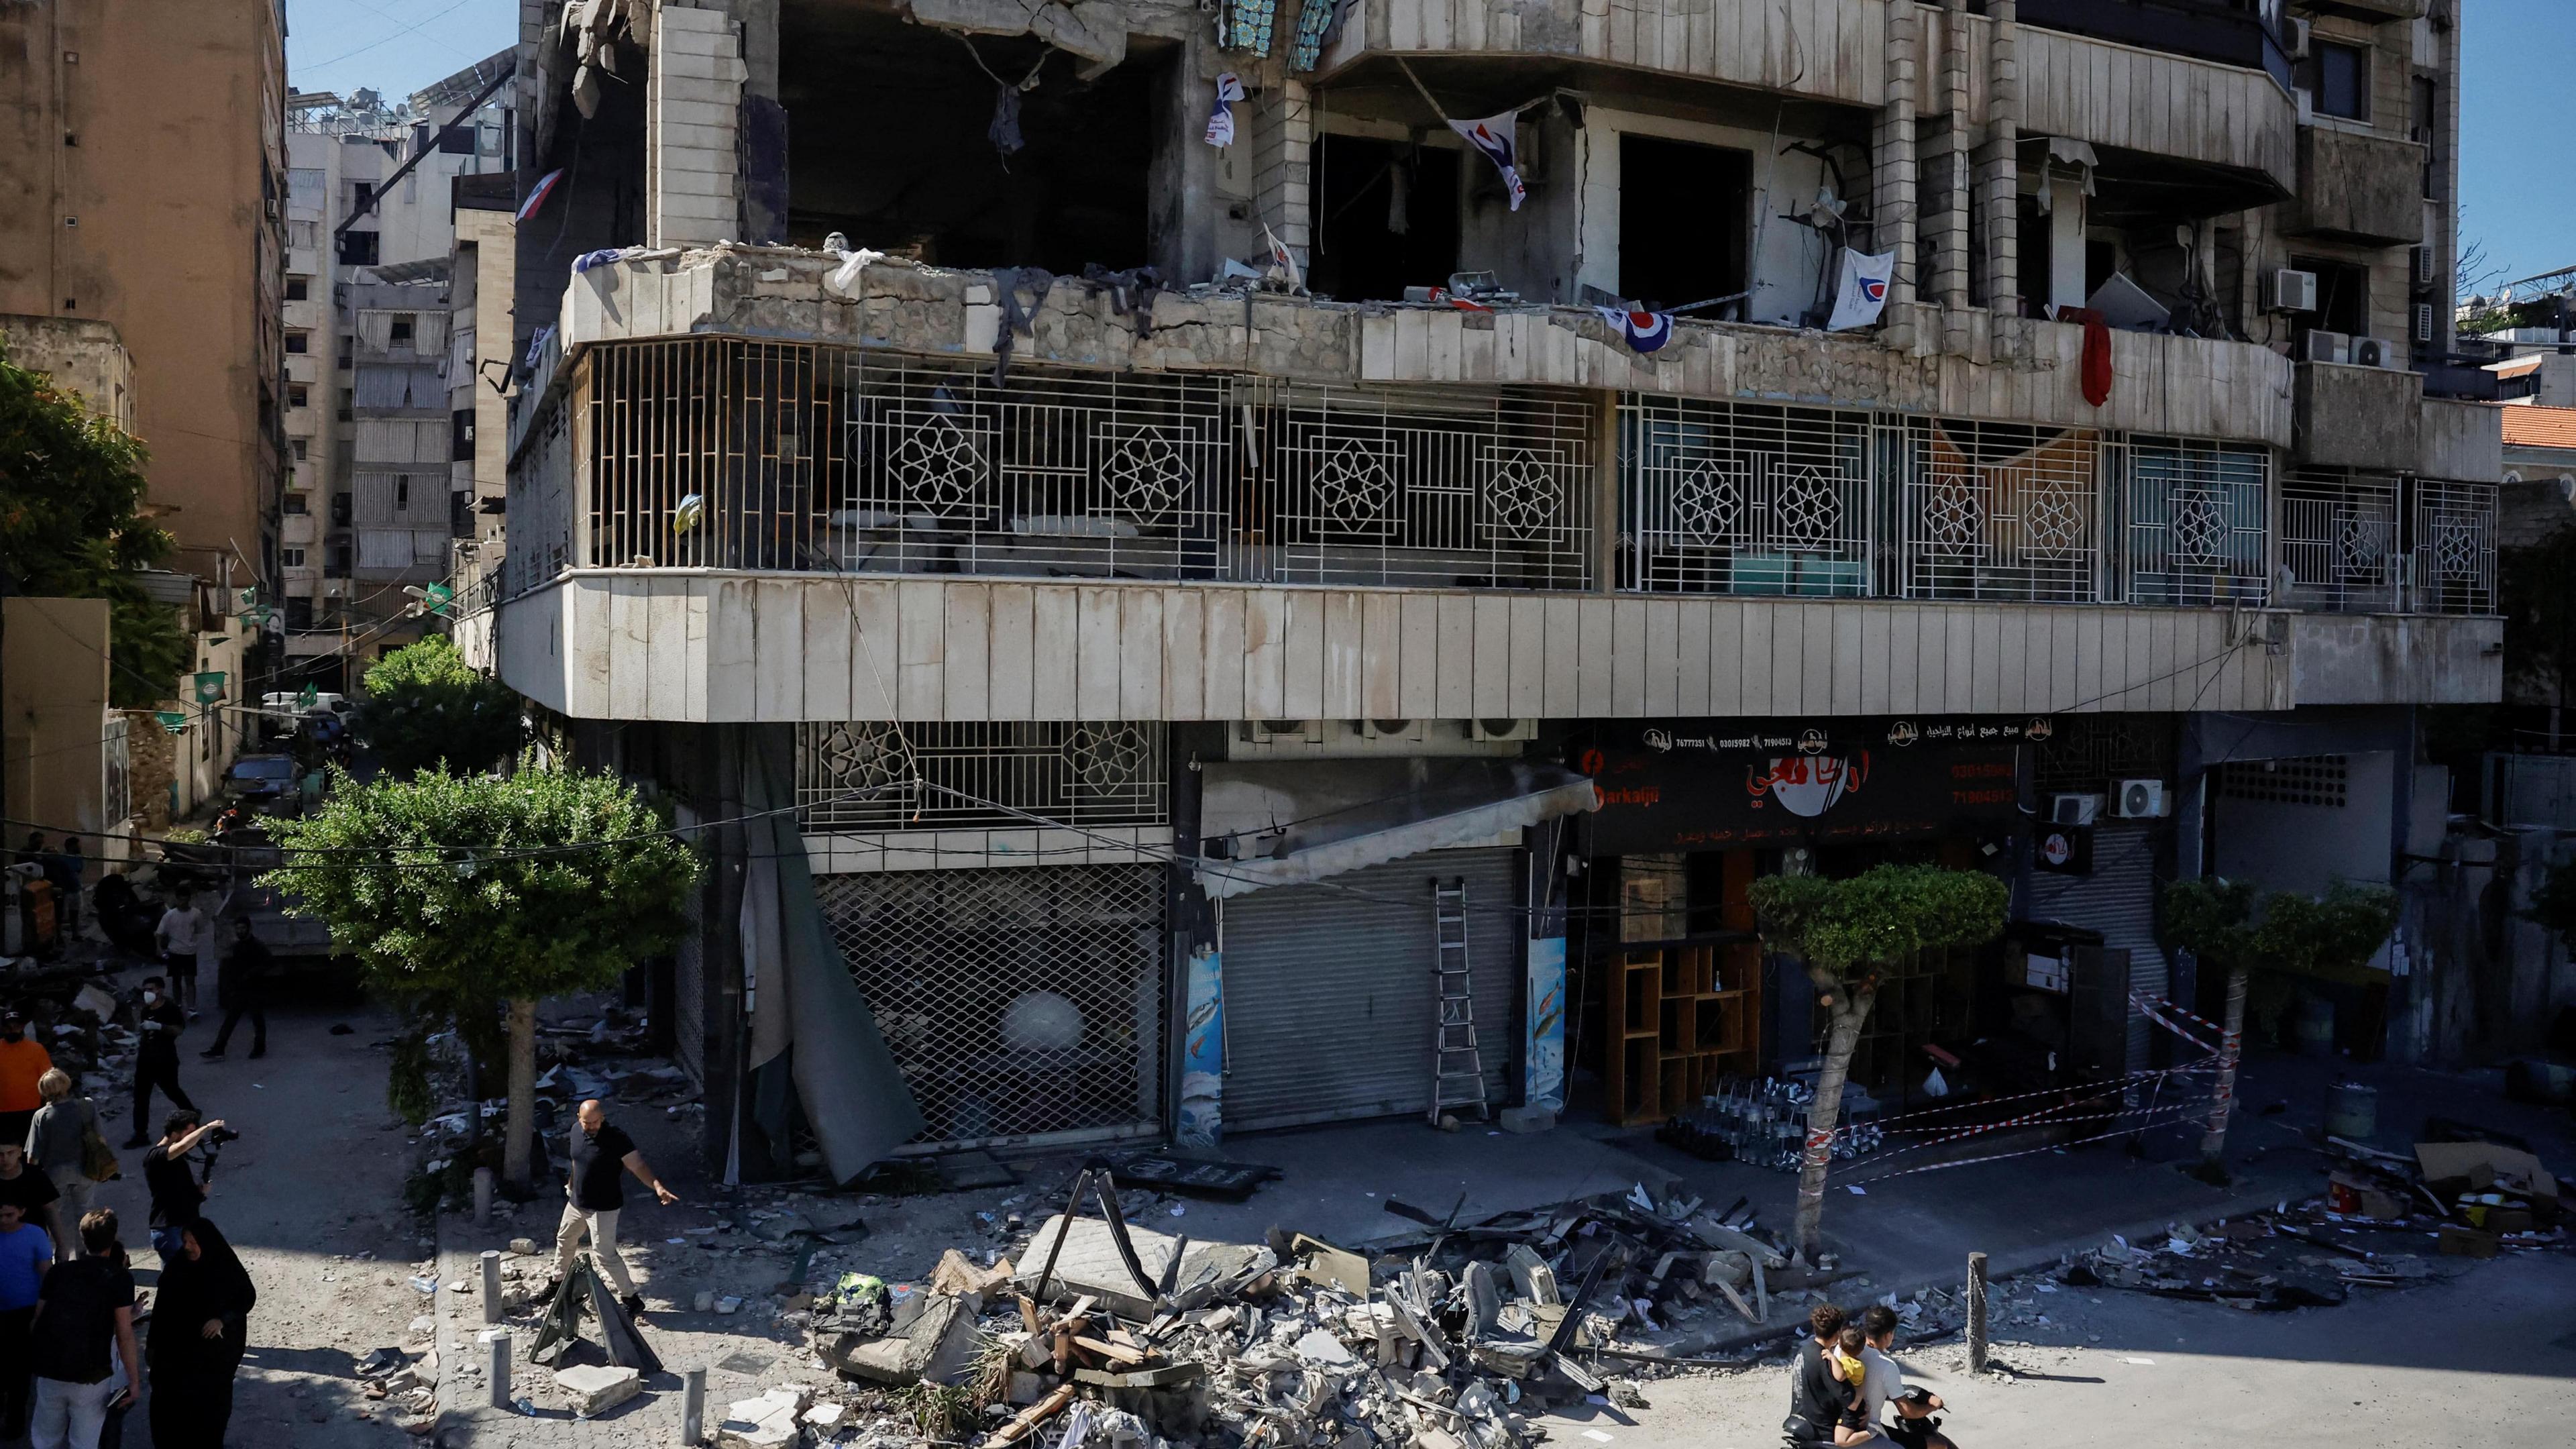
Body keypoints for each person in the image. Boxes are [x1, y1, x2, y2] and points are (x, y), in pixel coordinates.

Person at [28, 1209, 141, 1449]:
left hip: (50, 1369)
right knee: (84, 1440)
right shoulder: (119, 1278)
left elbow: (37, 1319)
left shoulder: (59, 1272)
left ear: (82, 1238)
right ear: (113, 1239)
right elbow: (124, 1334)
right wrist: (133, 1380)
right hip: (92, 1374)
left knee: (45, 1436)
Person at [555, 1099, 678, 1319]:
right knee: (565, 1239)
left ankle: (631, 1299)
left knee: (605, 1254)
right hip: (577, 1202)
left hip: (604, 1208)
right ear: (578, 1119)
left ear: (602, 1118)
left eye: (595, 1122)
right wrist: (572, 1184)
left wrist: (657, 1186)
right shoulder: (575, 1131)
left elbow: (637, 1165)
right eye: (586, 1123)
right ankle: (556, 1284)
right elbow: (577, 1162)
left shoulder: (616, 1139)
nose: (591, 1127)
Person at [148, 1216, 253, 1449]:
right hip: (178, 1359)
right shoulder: (177, 1267)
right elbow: (162, 1310)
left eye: (193, 1242)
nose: (187, 1247)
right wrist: (153, 1349)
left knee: (209, 1418)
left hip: (213, 1363)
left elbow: (246, 1297)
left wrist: (221, 1320)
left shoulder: (224, 1267)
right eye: (185, 1241)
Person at [23, 1070, 101, 1263]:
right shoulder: (87, 1106)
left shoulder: (41, 1116)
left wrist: (30, 1179)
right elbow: (101, 1138)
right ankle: (86, 1256)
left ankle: (58, 1256)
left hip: (54, 1174)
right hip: (86, 1170)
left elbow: (33, 1154)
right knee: (85, 1213)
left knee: (53, 1217)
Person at [1858, 1303, 1953, 1449]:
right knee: (1939, 1445)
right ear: (1888, 1335)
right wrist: (1931, 1407)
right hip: (1868, 1429)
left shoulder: (1847, 1348)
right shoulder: (1886, 1366)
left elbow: (1884, 1388)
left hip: (1843, 1423)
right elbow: (1908, 1412)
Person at [0, 1197, 56, 1438]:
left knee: (20, 1375)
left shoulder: (34, 1235)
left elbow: (47, 1276)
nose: (3, 1221)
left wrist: (41, 1314)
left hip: (25, 1313)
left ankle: (14, 1426)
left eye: (9, 1215)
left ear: (22, 1211)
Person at [141, 1111, 224, 1263]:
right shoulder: (155, 1156)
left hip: (183, 1228)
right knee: (177, 1281)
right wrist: (207, 1128)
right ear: (174, 1133)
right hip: (169, 1230)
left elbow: (179, 1191)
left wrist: (198, 1193)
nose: (195, 1137)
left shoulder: (176, 1158)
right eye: (191, 1132)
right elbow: (184, 1145)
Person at [124, 977, 194, 1149]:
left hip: (165, 1059)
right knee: (141, 1097)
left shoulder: (170, 1009)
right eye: (145, 989)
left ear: (160, 990)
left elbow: (178, 1030)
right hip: (146, 1060)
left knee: (172, 1091)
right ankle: (141, 1133)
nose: (148, 993)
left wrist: (159, 1027)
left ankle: (192, 1115)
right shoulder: (146, 1010)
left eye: (151, 989)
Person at [202, 918, 272, 1061]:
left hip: (255, 988)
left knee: (257, 1020)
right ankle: (218, 1049)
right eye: (238, 928)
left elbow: (268, 963)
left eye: (242, 928)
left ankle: (259, 1048)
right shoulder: (238, 946)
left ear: (248, 929)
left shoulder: (257, 946)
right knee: (231, 1020)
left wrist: (251, 974)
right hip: (241, 989)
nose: (240, 931)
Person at [1786, 1303, 1849, 1445]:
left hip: (1801, 1419)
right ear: (1838, 1333)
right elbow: (1845, 1397)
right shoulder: (1825, 1360)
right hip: (1821, 1432)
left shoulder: (1803, 1351)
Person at [154, 888, 213, 1017]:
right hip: (174, 951)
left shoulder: (196, 914)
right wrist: (159, 948)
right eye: (180, 899)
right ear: (177, 899)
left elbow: (199, 930)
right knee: (176, 980)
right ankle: (178, 1005)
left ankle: (191, 1008)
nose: (183, 902)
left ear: (189, 899)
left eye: (185, 899)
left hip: (190, 952)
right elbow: (159, 933)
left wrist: (193, 943)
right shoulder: (169, 916)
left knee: (190, 980)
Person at [0, 1008, 52, 1149]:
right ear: (3, 1029)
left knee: (30, 1149)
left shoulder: (36, 1049)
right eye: (8, 1027)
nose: (12, 1030)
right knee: (7, 1153)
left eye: (16, 1026)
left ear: (22, 1027)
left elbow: (48, 1078)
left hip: (32, 1110)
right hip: (3, 1113)